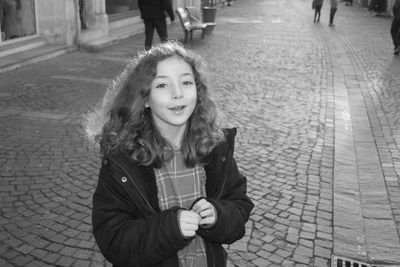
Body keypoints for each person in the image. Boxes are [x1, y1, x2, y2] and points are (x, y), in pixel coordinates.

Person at [85, 41, 254, 266]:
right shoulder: (124, 161)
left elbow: (239, 205)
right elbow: (113, 239)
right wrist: (169, 229)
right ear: (144, 98)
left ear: (198, 89)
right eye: (162, 85)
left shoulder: (214, 147)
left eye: (186, 82)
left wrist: (218, 215)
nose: (177, 94)